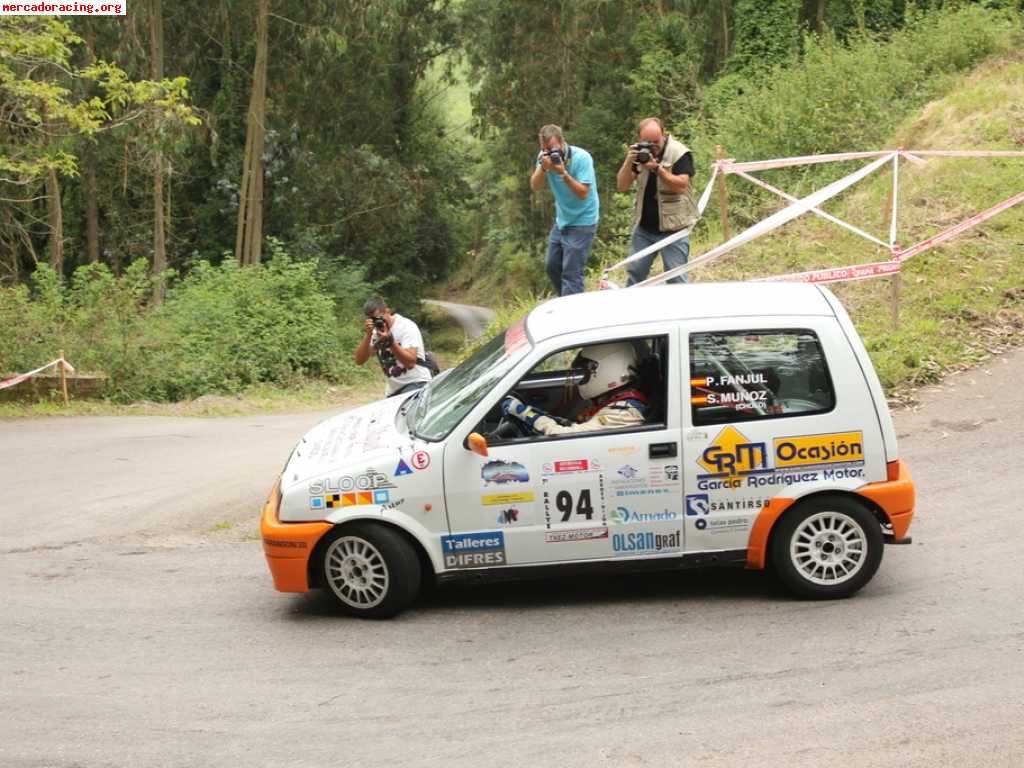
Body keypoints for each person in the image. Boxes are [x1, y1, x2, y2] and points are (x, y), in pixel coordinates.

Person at [499, 342, 651, 436]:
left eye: (586, 370)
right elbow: (578, 426)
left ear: (610, 367)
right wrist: (546, 417)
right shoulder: (616, 402)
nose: (582, 376)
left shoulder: (623, 413)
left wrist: (523, 412)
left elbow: (564, 436)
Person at [616, 117, 699, 286]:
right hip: (644, 228)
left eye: (656, 141)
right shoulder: (639, 155)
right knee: (635, 275)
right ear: (640, 139)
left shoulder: (679, 153)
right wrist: (629, 160)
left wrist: (657, 168)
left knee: (676, 278)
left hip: (674, 228)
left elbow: (682, 186)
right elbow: (622, 186)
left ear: (664, 134)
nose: (652, 147)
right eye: (647, 142)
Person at [530, 124, 599, 297]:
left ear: (562, 142)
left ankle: (572, 316)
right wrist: (544, 167)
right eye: (545, 150)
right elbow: (535, 185)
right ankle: (569, 302)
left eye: (553, 149)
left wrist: (563, 173)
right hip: (563, 219)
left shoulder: (582, 158)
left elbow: (583, 193)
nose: (550, 153)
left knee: (571, 273)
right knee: (552, 266)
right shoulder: (544, 157)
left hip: (583, 220)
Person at [354, 297, 432, 397]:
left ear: (387, 311)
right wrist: (368, 335)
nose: (378, 322)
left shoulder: (406, 326)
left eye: (379, 317)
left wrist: (390, 342)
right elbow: (359, 360)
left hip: (416, 382)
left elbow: (410, 363)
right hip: (394, 389)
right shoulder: (375, 333)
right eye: (373, 320)